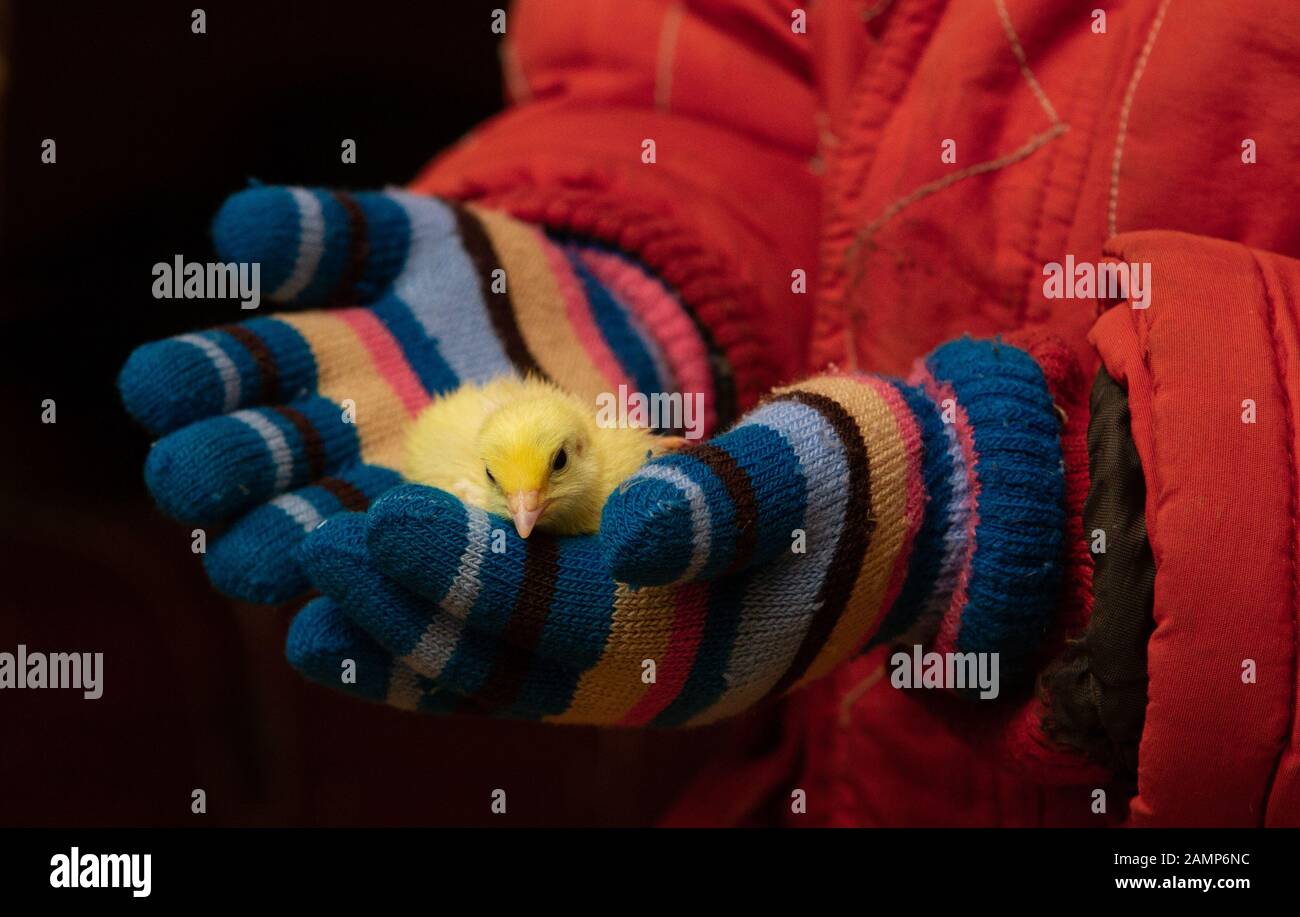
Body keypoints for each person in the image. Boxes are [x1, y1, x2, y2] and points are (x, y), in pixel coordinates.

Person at [117, 0, 1300, 826]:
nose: (524, 512)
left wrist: (1089, 503)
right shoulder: (538, 449)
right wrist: (659, 264)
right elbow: (708, 53)